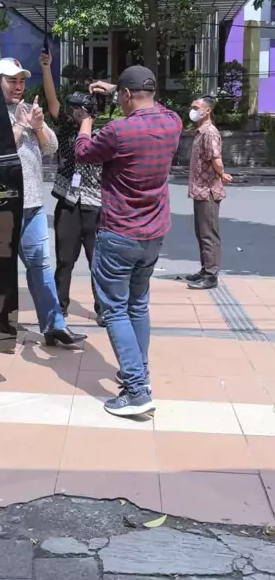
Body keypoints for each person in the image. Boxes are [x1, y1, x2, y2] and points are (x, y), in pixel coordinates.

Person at [74, 65, 182, 418]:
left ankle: (135, 390)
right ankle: (142, 377)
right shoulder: (173, 122)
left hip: (119, 233)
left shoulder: (118, 131)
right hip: (154, 234)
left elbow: (84, 152)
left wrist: (86, 120)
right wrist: (118, 88)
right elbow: (154, 105)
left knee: (116, 310)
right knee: (138, 306)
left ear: (125, 95)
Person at [0, 57, 86, 347]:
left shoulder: (28, 108)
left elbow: (52, 147)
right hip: (0, 206)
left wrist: (39, 126)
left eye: (21, 81)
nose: (18, 86)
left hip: (32, 204)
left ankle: (54, 326)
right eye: (12, 81)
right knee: (0, 271)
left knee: (40, 266)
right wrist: (19, 127)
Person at [40, 49, 103, 324]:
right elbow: (52, 102)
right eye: (73, 109)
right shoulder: (66, 128)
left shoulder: (103, 136)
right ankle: (60, 307)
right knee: (65, 259)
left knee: (97, 261)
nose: (74, 112)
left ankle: (104, 308)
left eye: (79, 109)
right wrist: (46, 68)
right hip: (67, 201)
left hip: (94, 205)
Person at [186, 95, 232, 290]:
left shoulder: (210, 133)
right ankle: (205, 269)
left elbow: (216, 159)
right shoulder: (200, 132)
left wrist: (222, 174)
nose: (193, 110)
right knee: (201, 232)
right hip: (200, 190)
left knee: (208, 235)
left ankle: (211, 275)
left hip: (208, 191)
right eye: (192, 107)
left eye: (196, 107)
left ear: (207, 111)